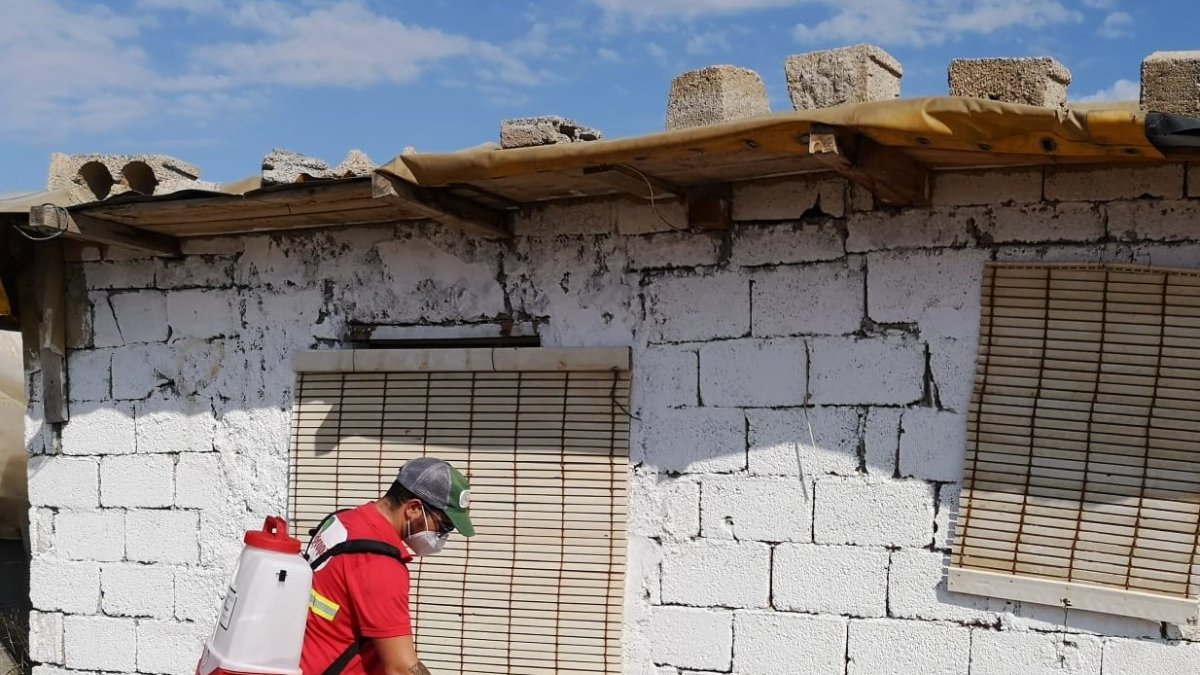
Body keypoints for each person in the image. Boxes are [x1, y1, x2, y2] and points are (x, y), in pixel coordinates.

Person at [299, 457, 475, 675]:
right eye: (444, 525)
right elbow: (401, 668)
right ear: (413, 508)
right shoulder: (379, 562)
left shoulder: (345, 521)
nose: (444, 536)